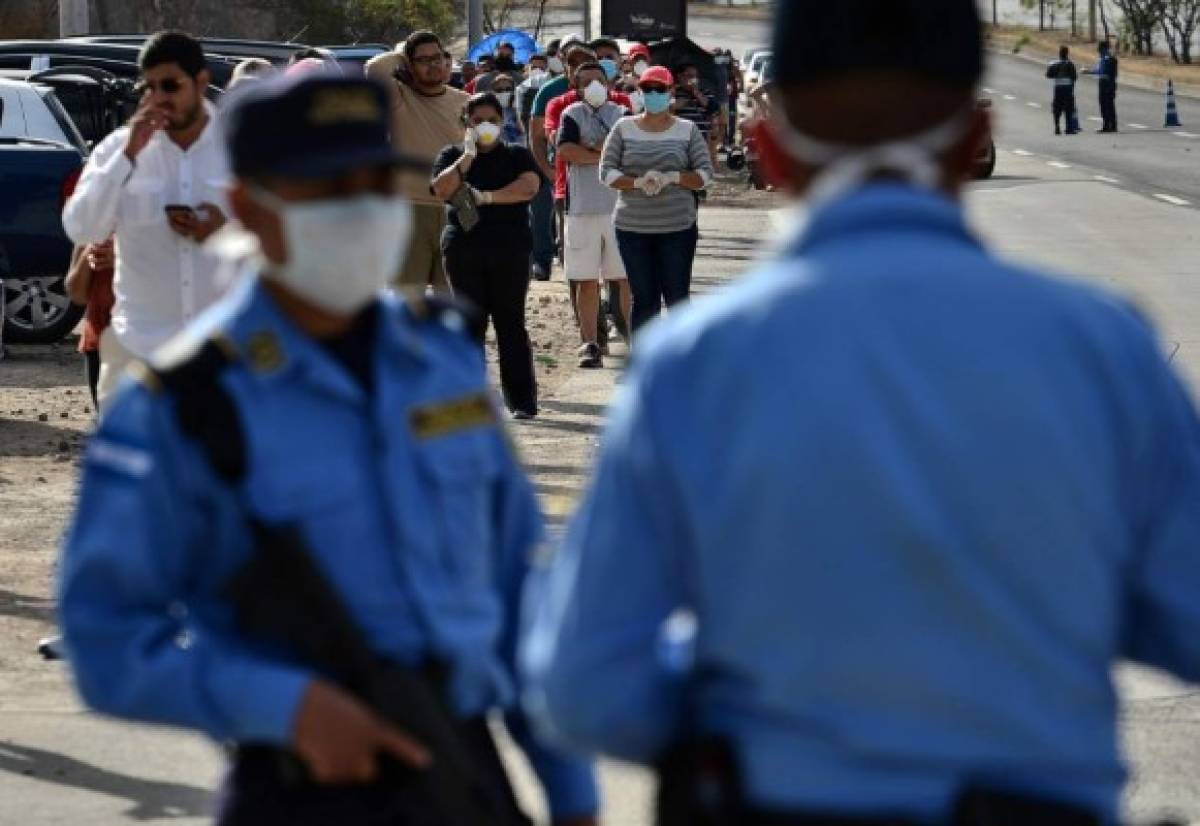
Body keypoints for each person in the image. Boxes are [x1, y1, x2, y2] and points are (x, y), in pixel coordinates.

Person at [523, 1, 1200, 824]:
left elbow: (587, 689)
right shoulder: (1100, 347)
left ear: (770, 148)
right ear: (971, 138)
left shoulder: (694, 365)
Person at [60, 73, 599, 826]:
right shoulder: (180, 406)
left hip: (461, 771)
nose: (362, 206)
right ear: (250, 207)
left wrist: (572, 793)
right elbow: (106, 641)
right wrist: (285, 708)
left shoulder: (439, 363)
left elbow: (518, 595)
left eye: (376, 181)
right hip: (298, 787)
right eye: (329, 187)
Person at [63, 30, 232, 412]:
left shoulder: (239, 148)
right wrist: (127, 155)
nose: (159, 98)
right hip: (137, 352)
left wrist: (227, 225)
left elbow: (280, 233)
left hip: (223, 353)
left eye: (170, 85)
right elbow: (81, 227)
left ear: (201, 82)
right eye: (150, 86)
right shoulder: (116, 149)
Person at [431, 93, 542, 420]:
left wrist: (488, 197)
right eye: (477, 121)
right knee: (468, 324)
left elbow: (529, 187)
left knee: (511, 324)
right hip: (464, 250)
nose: (485, 127)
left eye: (491, 120)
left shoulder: (517, 155)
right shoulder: (451, 155)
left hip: (510, 249)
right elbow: (441, 189)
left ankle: (521, 400)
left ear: (502, 120)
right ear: (466, 123)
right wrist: (467, 157)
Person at [598, 66, 713, 332]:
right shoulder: (623, 127)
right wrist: (637, 182)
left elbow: (705, 174)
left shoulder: (687, 130)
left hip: (677, 227)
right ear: (640, 92)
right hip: (632, 228)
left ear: (671, 92)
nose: (653, 94)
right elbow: (606, 172)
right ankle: (643, 367)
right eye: (647, 89)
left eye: (659, 89)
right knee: (645, 300)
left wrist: (673, 177)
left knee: (677, 299)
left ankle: (682, 367)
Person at [365, 32, 467, 293]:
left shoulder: (465, 102)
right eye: (423, 60)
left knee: (455, 298)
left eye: (437, 57)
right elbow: (374, 69)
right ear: (409, 65)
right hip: (410, 209)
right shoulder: (400, 98)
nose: (433, 65)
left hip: (457, 208)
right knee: (407, 298)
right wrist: (403, 55)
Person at [558, 62, 631, 368]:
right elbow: (566, 151)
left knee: (624, 279)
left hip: (621, 208)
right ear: (576, 88)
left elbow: (628, 152)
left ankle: (632, 339)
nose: (594, 86)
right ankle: (589, 343)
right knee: (586, 281)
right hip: (582, 209)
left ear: (609, 82)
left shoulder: (623, 114)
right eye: (586, 82)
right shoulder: (571, 115)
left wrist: (589, 150)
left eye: (599, 80)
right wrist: (603, 153)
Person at [63, 240, 116, 410]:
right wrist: (87, 254)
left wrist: (124, 258)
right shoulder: (94, 227)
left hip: (152, 341)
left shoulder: (160, 222)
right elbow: (77, 295)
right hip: (100, 340)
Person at [517, 54, 555, 281]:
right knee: (539, 215)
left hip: (561, 159)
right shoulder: (526, 88)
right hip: (536, 160)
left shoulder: (556, 88)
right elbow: (527, 125)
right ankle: (540, 262)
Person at [673, 62, 720, 166]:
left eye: (695, 77)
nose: (693, 79)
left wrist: (697, 94)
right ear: (680, 77)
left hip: (700, 138)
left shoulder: (705, 93)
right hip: (680, 138)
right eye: (689, 76)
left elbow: (714, 108)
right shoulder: (674, 93)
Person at [1085, 39, 1119, 132]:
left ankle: (1108, 125)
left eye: (1099, 49)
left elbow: (1102, 71)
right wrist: (1089, 71)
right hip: (1106, 83)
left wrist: (1088, 71)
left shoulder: (1108, 58)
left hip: (1107, 83)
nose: (1098, 51)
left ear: (1103, 48)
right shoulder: (1105, 58)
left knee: (1106, 105)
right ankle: (1110, 125)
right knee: (1107, 105)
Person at [1046, 45, 1079, 135]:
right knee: (1068, 108)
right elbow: (1074, 77)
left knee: (1057, 107)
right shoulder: (1070, 64)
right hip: (1068, 87)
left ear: (1059, 54)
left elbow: (1048, 75)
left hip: (1058, 87)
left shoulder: (1054, 64)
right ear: (1067, 53)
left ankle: (1057, 125)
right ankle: (1069, 128)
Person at [491, 73, 524, 144]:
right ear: (494, 92)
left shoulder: (519, 106)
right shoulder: (490, 110)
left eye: (508, 89)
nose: (504, 92)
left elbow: (523, 129)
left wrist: (517, 108)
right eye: (499, 90)